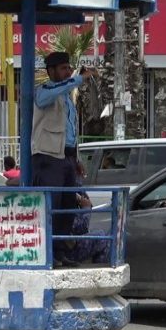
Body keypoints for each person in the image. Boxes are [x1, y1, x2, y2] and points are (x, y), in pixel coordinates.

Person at [32, 51, 97, 265]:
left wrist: (75, 159)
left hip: (66, 158)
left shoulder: (66, 97)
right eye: (63, 68)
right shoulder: (44, 91)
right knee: (52, 206)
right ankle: (48, 251)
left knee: (68, 207)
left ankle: (60, 251)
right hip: (49, 158)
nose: (68, 72)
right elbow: (44, 99)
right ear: (51, 71)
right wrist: (77, 79)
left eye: (69, 68)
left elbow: (69, 131)